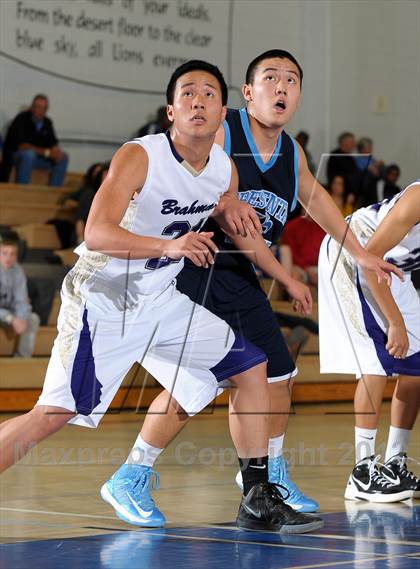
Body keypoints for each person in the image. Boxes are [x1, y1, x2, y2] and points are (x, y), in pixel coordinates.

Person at [0, 60, 324, 536]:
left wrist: (285, 277)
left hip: (161, 299)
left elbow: (243, 232)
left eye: (209, 94)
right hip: (103, 300)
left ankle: (257, 497)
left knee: (251, 367)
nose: (199, 100)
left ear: (223, 113)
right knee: (53, 415)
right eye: (188, 93)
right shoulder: (140, 156)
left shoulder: (222, 169)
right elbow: (97, 232)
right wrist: (170, 246)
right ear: (171, 110)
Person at [102, 49, 403, 525]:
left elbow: (317, 200)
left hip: (239, 273)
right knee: (202, 380)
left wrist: (362, 252)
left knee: (279, 372)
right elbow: (198, 182)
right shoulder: (223, 129)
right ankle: (134, 474)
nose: (281, 87)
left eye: (291, 81)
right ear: (247, 93)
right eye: (270, 78)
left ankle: (264, 476)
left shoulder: (291, 153)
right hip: (192, 266)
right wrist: (232, 210)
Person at [319, 180, 420, 502]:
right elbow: (369, 261)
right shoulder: (417, 199)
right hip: (355, 252)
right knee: (376, 358)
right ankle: (362, 471)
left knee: (417, 365)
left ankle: (394, 462)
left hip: (391, 268)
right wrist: (395, 322)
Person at [0, 94, 68, 186]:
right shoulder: (21, 119)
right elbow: (22, 146)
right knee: (28, 154)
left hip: (38, 159)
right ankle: (22, 190)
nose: (41, 111)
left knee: (63, 157)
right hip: (16, 156)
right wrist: (46, 152)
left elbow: (53, 143)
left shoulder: (47, 122)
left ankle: (53, 192)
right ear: (32, 108)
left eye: (44, 108)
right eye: (38, 107)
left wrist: (56, 152)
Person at [0, 232, 40, 357]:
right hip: (4, 314)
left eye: (12, 254)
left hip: (11, 312)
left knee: (33, 318)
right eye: (4, 253)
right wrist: (11, 319)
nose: (8, 258)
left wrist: (21, 318)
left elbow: (22, 300)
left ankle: (22, 359)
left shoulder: (18, 271)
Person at [282, 214, 326, 286]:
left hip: (321, 267)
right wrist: (306, 268)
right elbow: (290, 253)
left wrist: (320, 269)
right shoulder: (292, 226)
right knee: (294, 276)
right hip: (300, 267)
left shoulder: (326, 227)